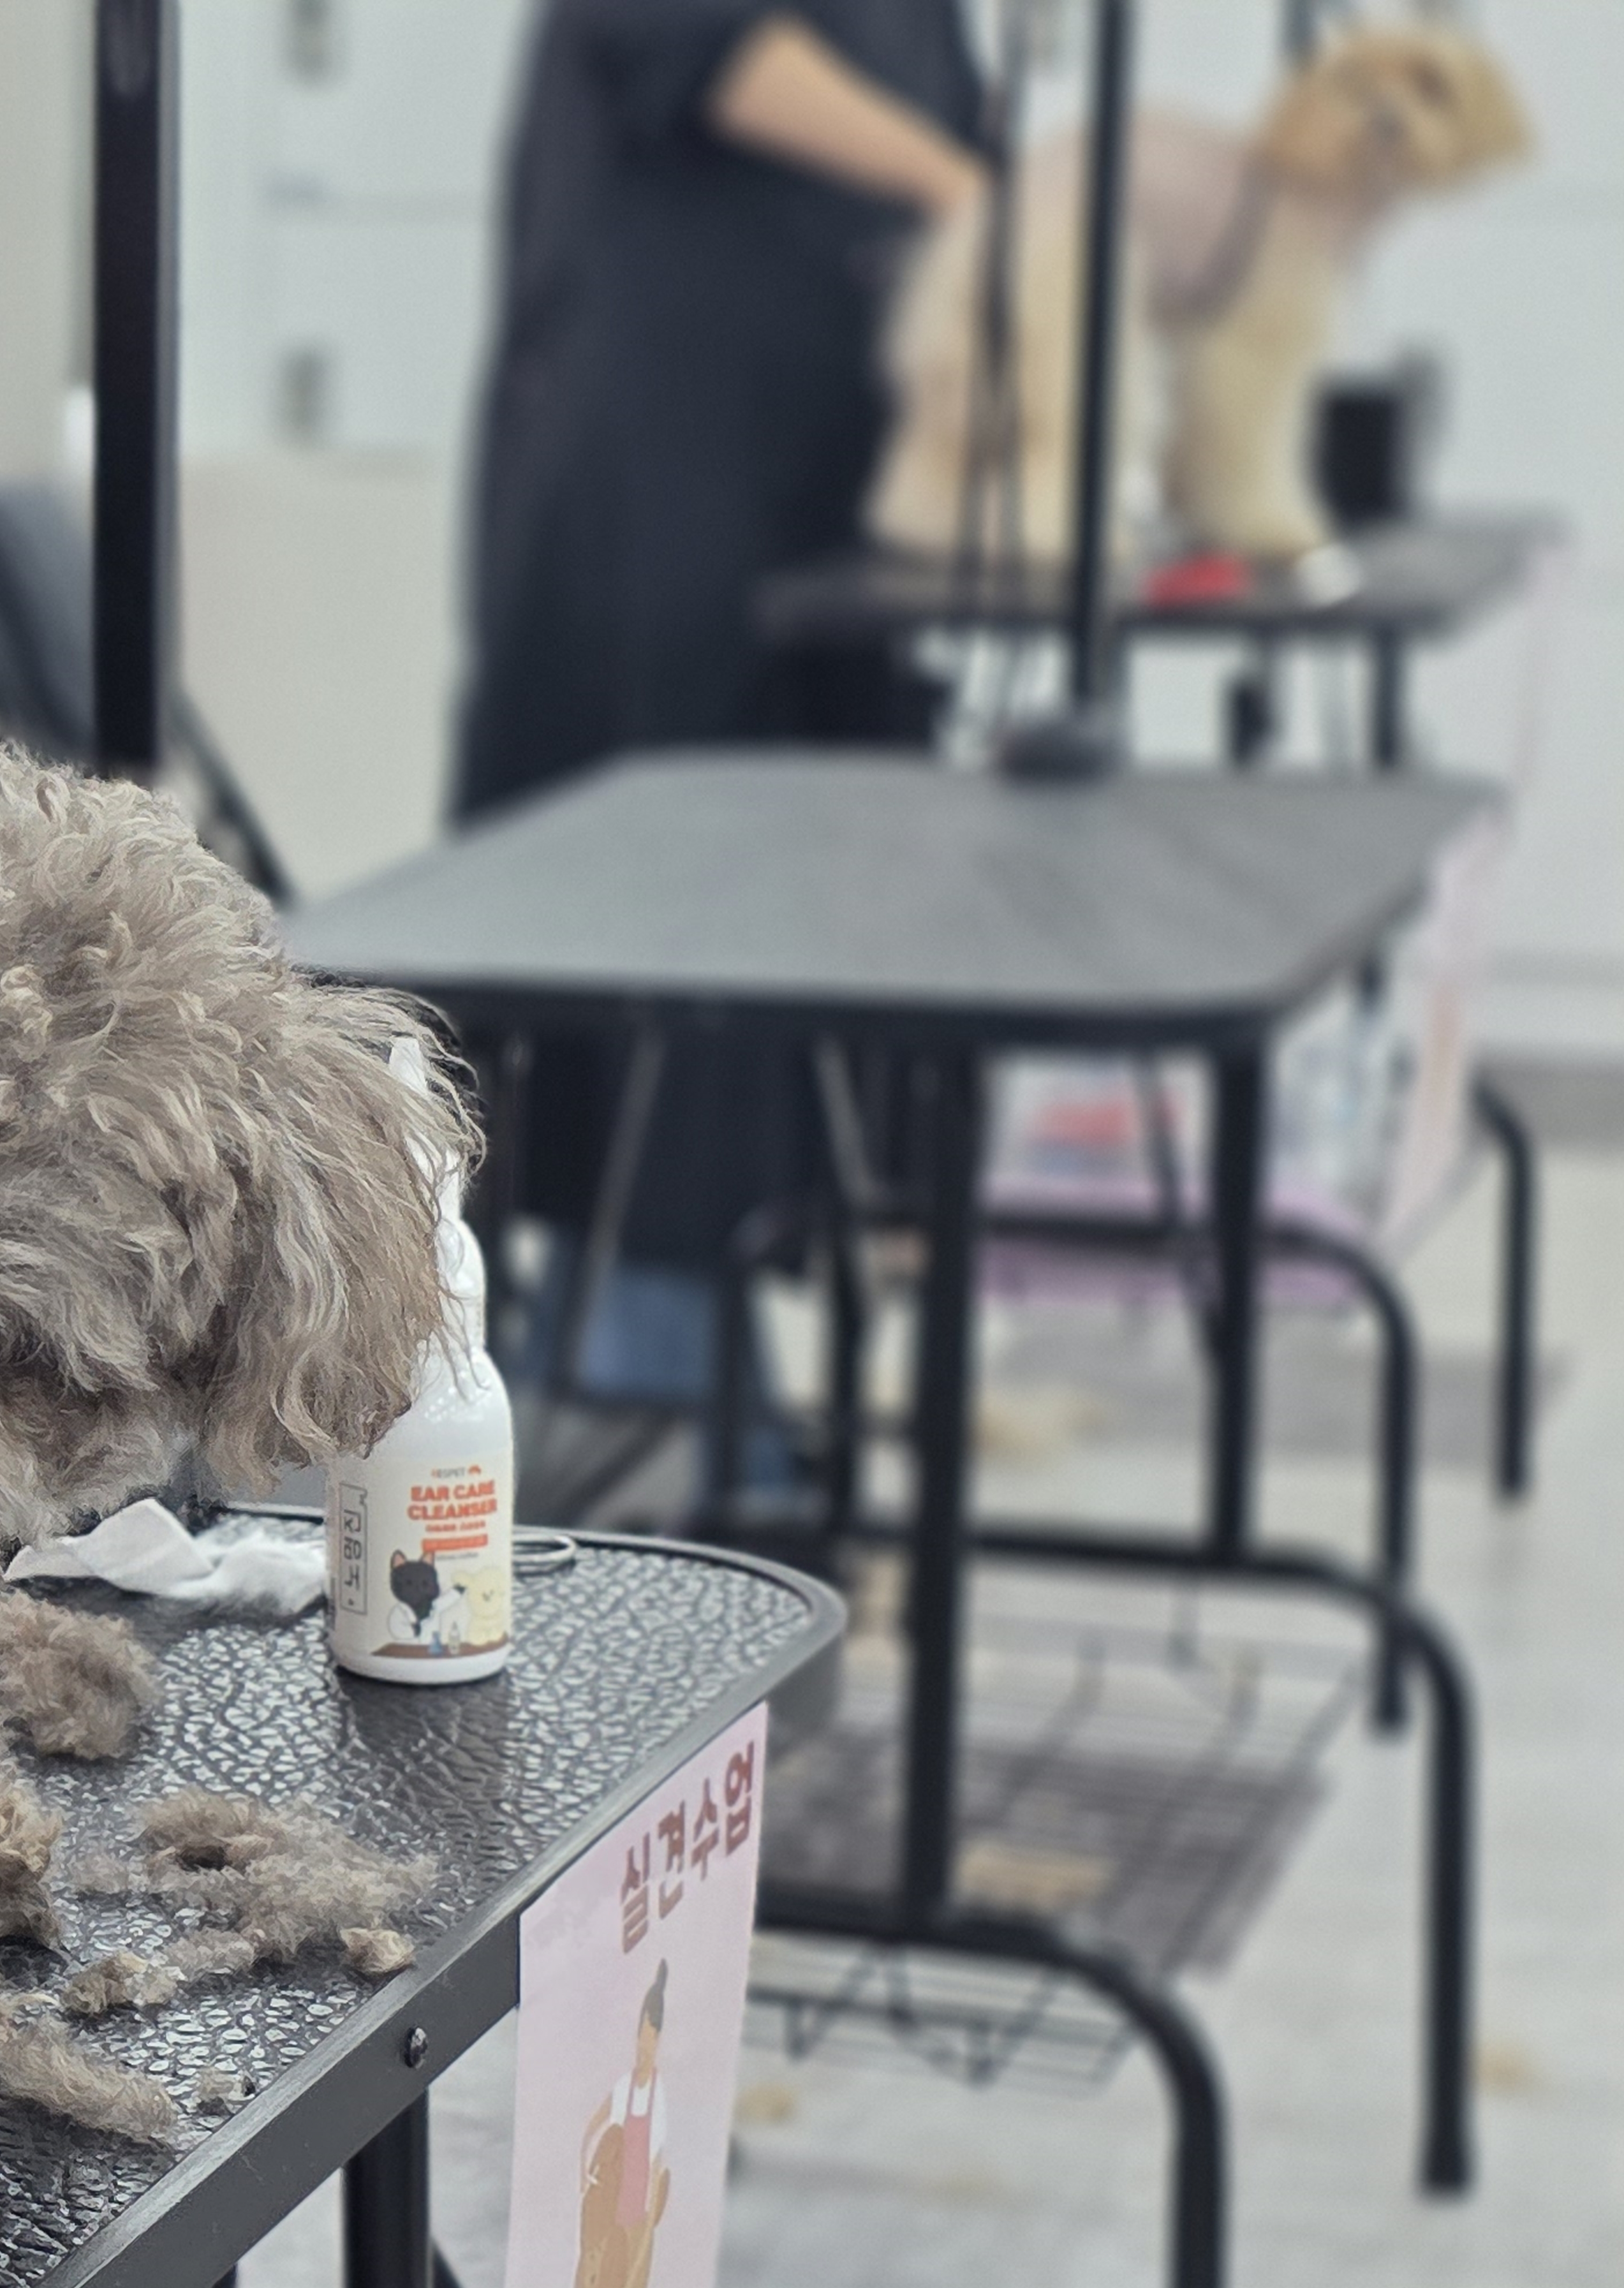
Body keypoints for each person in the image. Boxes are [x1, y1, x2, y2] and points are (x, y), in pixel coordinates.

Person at [447, 1, 987, 1456]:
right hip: (657, 463)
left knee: (802, 922)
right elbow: (705, 49)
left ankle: (700, 1358)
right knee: (655, 914)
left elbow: (958, 111)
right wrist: (960, 191)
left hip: (823, 479)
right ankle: (638, 1379)